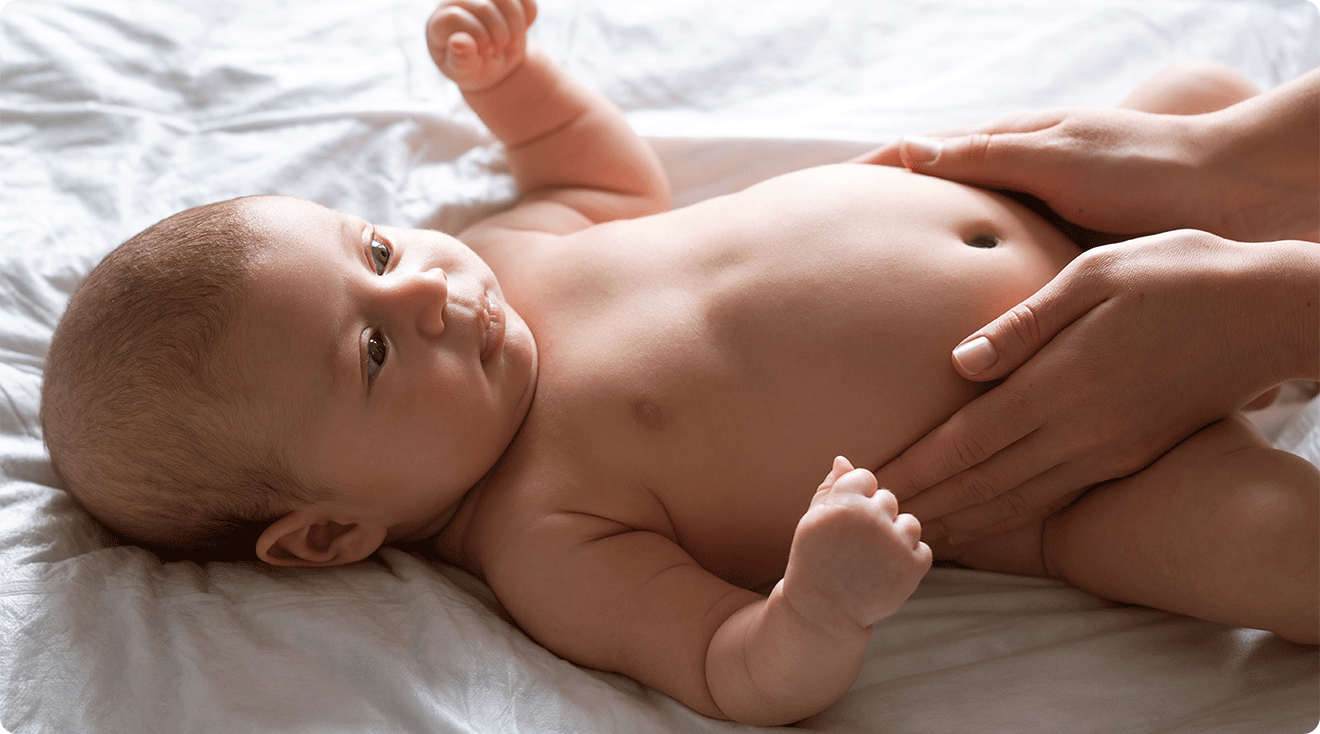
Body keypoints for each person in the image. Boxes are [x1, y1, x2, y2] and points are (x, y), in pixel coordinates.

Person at [38, 0, 1319, 725]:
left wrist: (518, 86)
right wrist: (825, 598)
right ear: (326, 533)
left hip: (1092, 209)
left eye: (376, 244)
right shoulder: (545, 531)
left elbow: (594, 176)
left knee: (1203, 85)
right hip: (1065, 474)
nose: (426, 287)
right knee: (1282, 553)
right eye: (371, 347)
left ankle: (1275, 339)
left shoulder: (506, 260)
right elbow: (732, 667)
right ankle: (1264, 361)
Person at [858, 62, 1320, 545]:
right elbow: (770, 617)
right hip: (1033, 483)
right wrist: (1216, 156)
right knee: (1274, 534)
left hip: (1070, 231)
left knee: (1201, 88)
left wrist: (1274, 315)